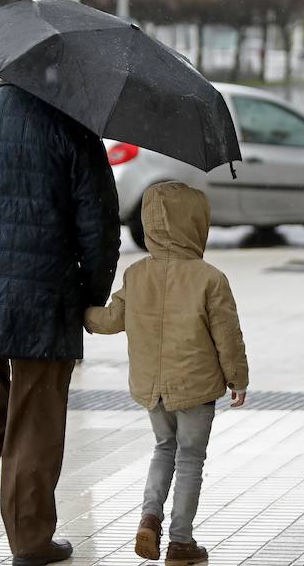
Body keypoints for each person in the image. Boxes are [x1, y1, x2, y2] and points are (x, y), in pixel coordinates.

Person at [0, 81, 120, 566]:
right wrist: (91, 297)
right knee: (34, 422)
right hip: (43, 297)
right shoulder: (72, 128)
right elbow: (99, 223)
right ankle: (30, 540)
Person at [84, 182, 249, 566]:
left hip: (150, 388)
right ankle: (180, 542)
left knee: (163, 449)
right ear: (197, 224)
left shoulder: (137, 274)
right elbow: (228, 336)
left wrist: (80, 313)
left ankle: (149, 517)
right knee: (190, 458)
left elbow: (110, 320)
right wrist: (237, 379)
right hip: (196, 388)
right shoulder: (209, 278)